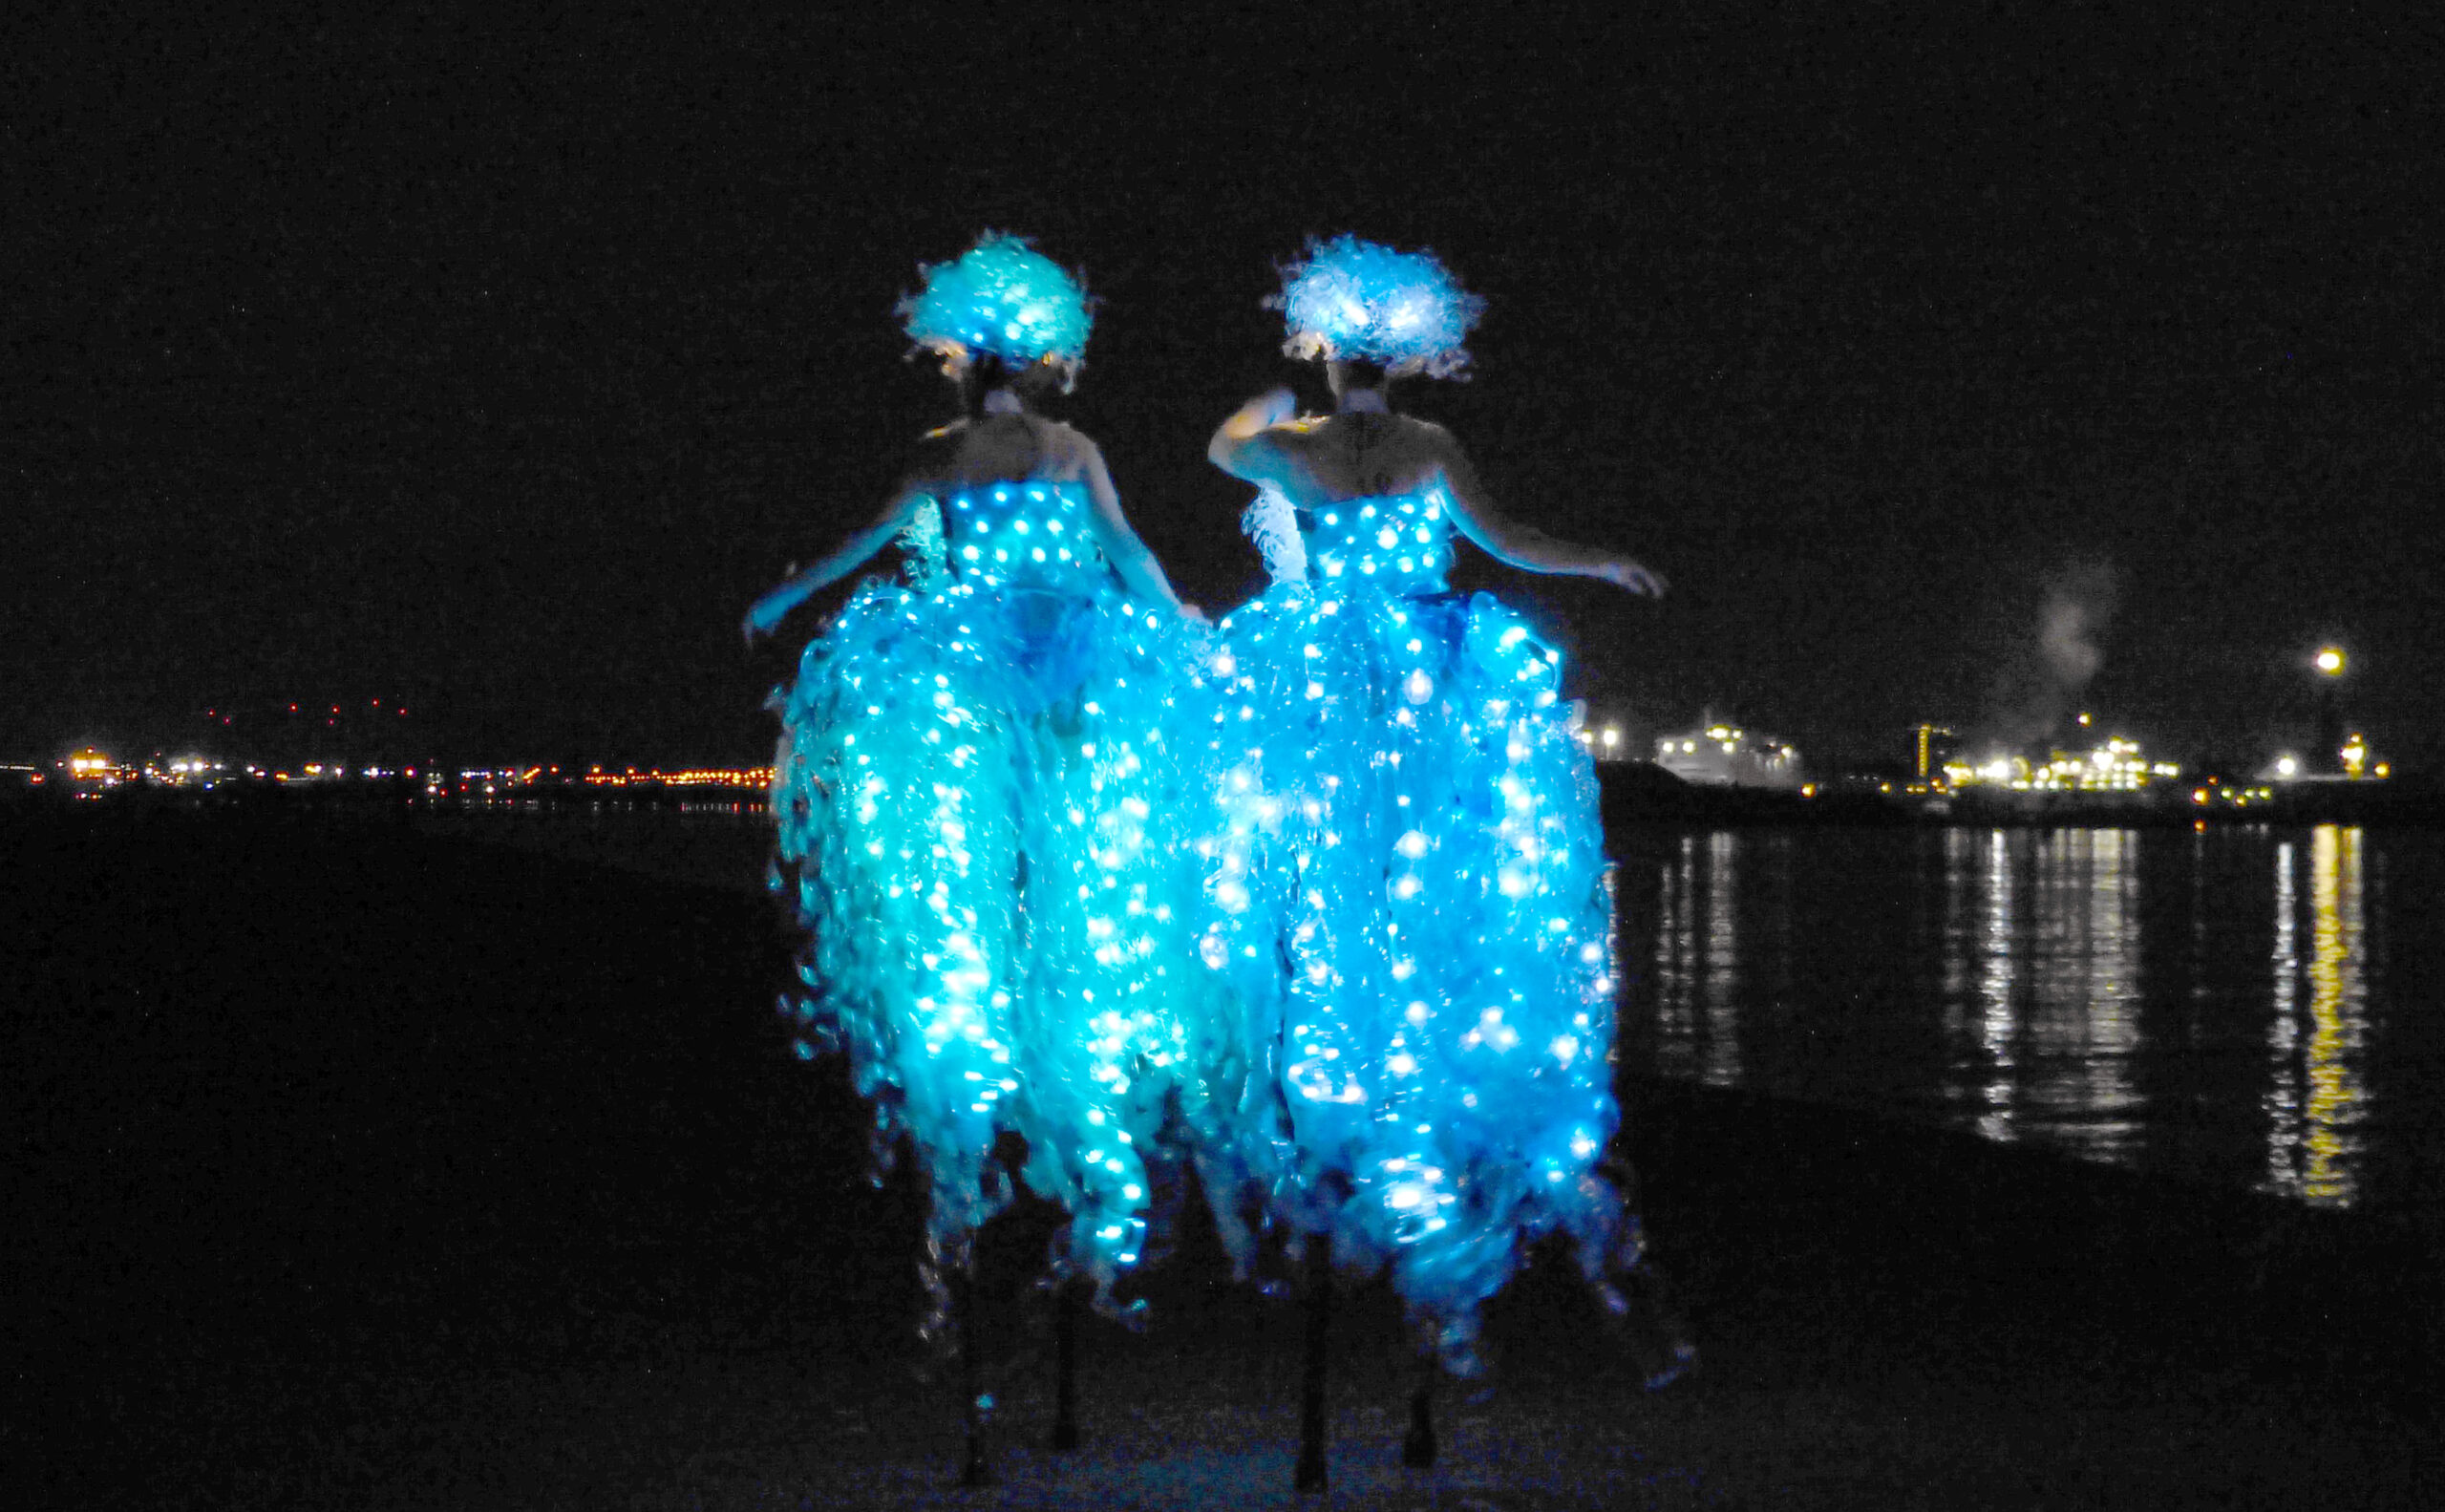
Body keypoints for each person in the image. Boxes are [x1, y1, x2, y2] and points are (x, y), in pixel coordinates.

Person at [1199, 235, 1673, 1383]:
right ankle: (1422, 1129)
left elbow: (1221, 445)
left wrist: (1272, 397)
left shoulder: (1293, 449)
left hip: (1321, 686)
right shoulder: (1429, 445)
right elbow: (1507, 541)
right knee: (1446, 893)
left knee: (1327, 892)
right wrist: (1600, 561)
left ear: (1324, 350)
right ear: (1407, 357)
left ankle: (1340, 1116)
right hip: (1425, 678)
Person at [745, 235, 1225, 1341]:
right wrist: (1179, 626)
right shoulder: (1071, 446)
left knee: (973, 859)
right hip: (1073, 662)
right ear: (1044, 362)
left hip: (977, 666)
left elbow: (863, 543)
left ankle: (995, 1057)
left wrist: (783, 600)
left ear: (964, 364)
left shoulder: (944, 453)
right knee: (1075, 863)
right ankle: (1073, 1045)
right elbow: (1128, 551)